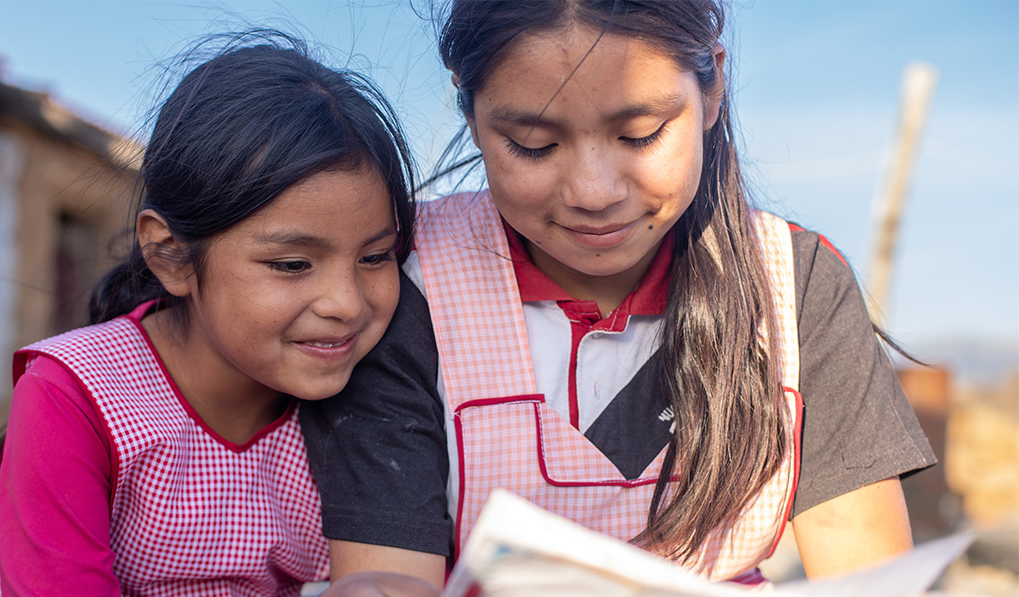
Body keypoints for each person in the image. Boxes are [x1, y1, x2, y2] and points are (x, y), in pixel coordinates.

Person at [300, 0, 936, 592]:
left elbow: (866, 576)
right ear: (469, 113)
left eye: (641, 134)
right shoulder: (409, 281)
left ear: (713, 86)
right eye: (533, 145)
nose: (594, 191)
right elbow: (388, 576)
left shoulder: (795, 289)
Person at [0, 34, 418, 596]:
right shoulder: (80, 397)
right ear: (170, 254)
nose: (347, 304)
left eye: (376, 256)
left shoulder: (378, 396)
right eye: (291, 263)